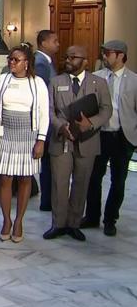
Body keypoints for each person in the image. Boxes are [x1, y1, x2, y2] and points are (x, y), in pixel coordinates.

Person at [44, 45, 112, 242]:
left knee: (81, 184)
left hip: (87, 141)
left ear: (85, 61)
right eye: (67, 56)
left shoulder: (98, 83)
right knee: (59, 184)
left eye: (73, 57)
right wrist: (60, 126)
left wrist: (91, 123)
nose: (68, 60)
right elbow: (49, 111)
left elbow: (106, 110)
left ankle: (74, 223)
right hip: (61, 140)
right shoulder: (56, 82)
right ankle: (58, 224)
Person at [0, 44, 49, 243]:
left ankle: (19, 220)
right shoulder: (3, 79)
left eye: (16, 60)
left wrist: (41, 140)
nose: (11, 63)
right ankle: (6, 220)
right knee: (5, 178)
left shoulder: (37, 83)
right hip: (5, 134)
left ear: (26, 63)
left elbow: (43, 113)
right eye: (10, 59)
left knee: (25, 179)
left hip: (28, 135)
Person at [84, 40, 137, 236]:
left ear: (121, 55)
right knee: (94, 177)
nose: (104, 57)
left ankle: (110, 219)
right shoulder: (96, 78)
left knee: (118, 180)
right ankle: (91, 216)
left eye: (108, 54)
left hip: (123, 136)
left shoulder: (134, 80)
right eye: (103, 54)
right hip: (99, 135)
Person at [35, 29, 60, 211]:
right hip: (47, 119)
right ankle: (47, 201)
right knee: (48, 163)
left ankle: (48, 199)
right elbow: (43, 94)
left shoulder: (47, 62)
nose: (58, 44)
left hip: (50, 118)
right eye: (54, 41)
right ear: (43, 43)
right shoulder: (41, 64)